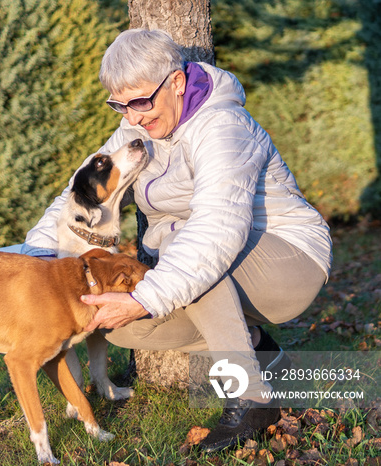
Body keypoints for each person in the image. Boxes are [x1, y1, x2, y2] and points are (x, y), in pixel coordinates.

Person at [20, 29, 332, 452]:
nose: (131, 117)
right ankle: (263, 356)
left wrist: (146, 297)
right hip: (203, 255)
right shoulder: (140, 126)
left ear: (178, 83)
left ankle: (249, 398)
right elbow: (75, 195)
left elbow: (215, 233)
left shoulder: (223, 127)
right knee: (122, 331)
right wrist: (34, 262)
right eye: (120, 104)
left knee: (185, 258)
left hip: (289, 259)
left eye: (140, 102)